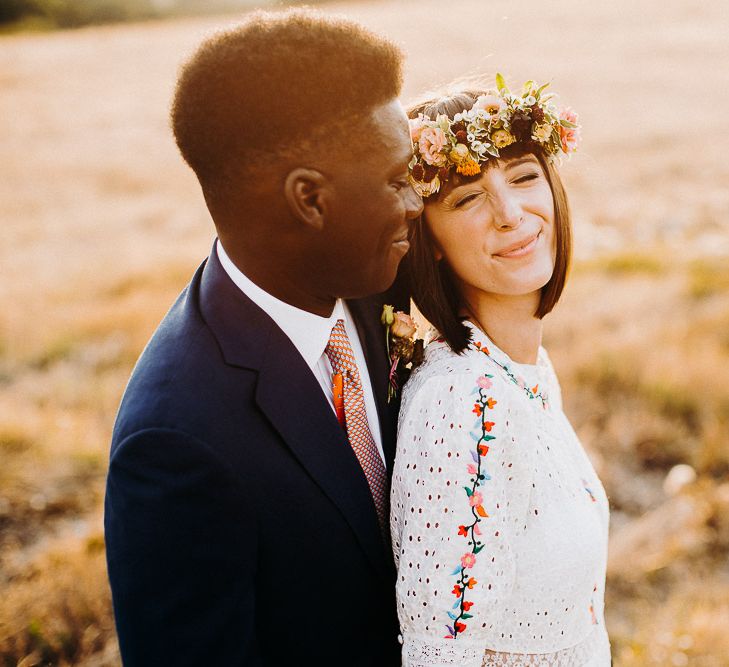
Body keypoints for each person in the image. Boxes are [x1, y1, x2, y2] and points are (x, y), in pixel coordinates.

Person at [104, 9, 422, 666]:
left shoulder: (369, 280)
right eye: (396, 179)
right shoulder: (176, 442)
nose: (416, 201)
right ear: (309, 200)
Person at [390, 78, 611, 666]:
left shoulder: (525, 370)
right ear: (427, 239)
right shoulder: (465, 401)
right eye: (467, 199)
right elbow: (440, 652)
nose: (511, 214)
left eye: (522, 176)